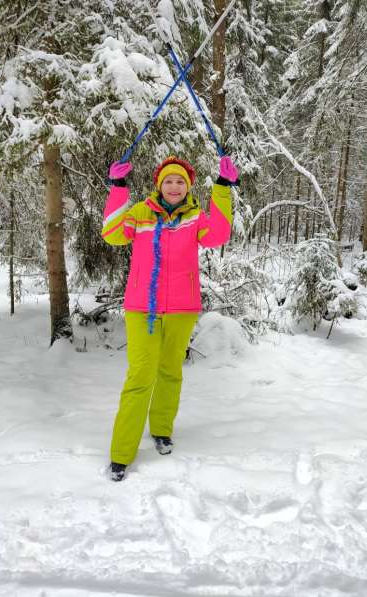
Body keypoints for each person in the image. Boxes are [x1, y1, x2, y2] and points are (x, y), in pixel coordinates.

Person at [101, 155, 239, 481]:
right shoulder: (140, 213)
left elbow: (219, 234)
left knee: (170, 372)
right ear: (159, 184)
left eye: (180, 182)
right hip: (141, 309)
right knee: (140, 377)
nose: (174, 187)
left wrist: (222, 187)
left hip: (182, 308)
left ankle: (161, 430)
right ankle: (121, 454)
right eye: (168, 181)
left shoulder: (195, 217)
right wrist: (118, 188)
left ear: (187, 186)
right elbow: (111, 233)